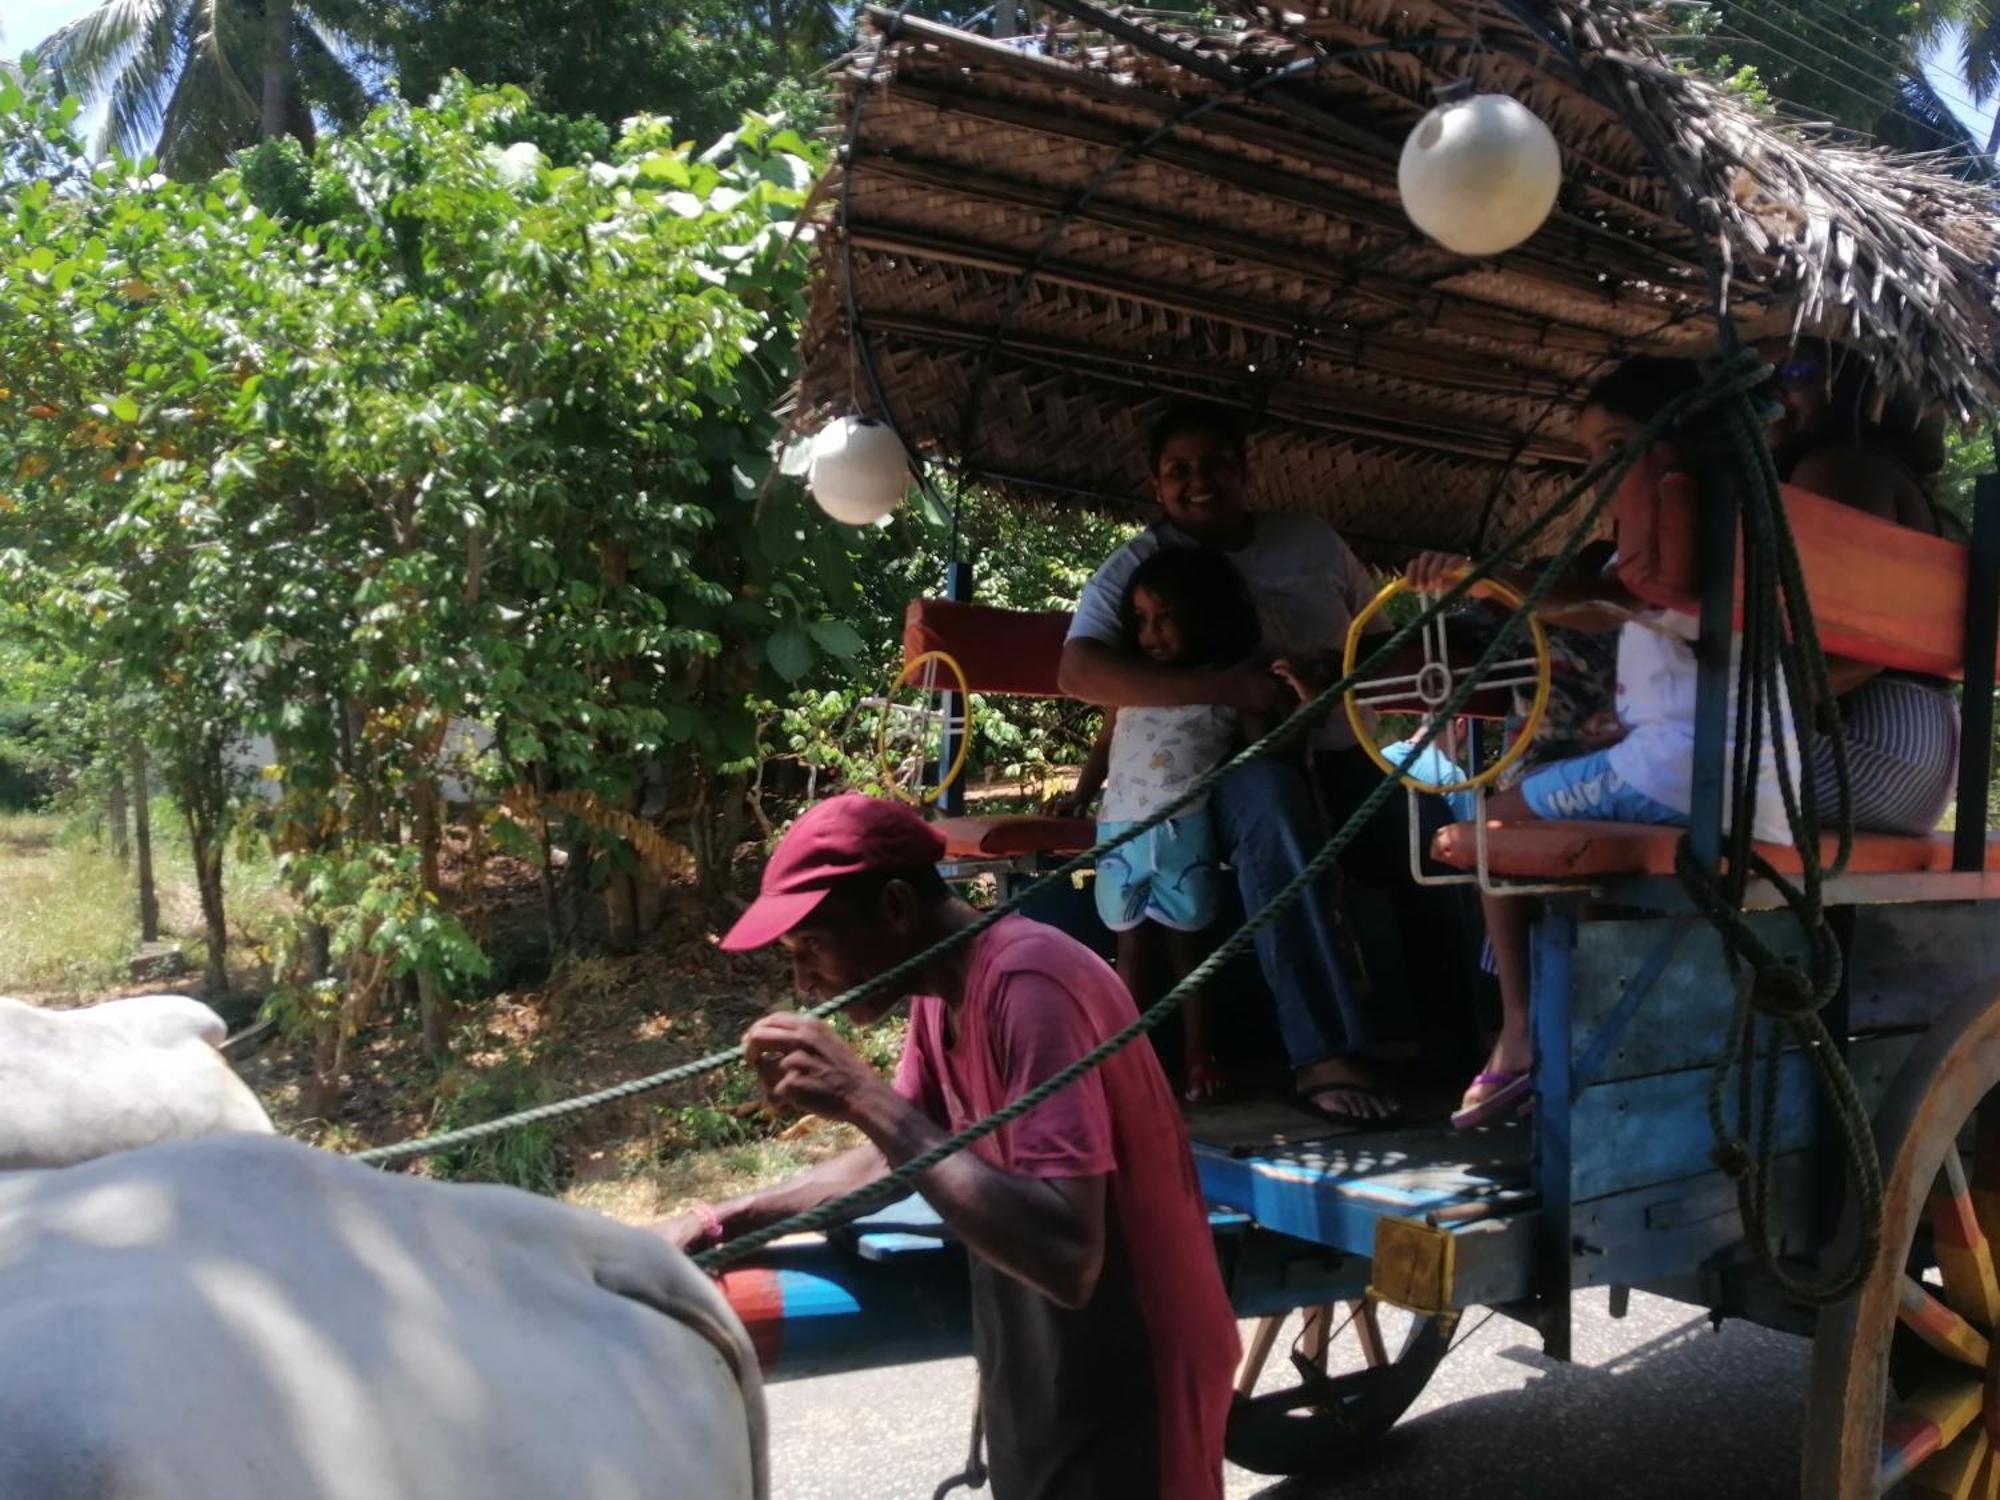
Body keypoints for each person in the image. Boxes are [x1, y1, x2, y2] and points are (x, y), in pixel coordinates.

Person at [654, 795, 1238, 1500]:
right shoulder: (940, 994)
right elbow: (894, 1157)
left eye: (813, 946)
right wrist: (723, 1219)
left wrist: (862, 1097)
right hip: (1051, 1360)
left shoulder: (1028, 984)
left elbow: (1069, 1256)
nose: (804, 983)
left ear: (896, 907)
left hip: (1136, 1369)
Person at [1058, 400, 1482, 1124]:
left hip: (1341, 750)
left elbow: (1379, 641)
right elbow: (1078, 672)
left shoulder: (1311, 541)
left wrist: (1327, 674)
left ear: (1244, 471)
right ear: (1156, 487)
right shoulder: (1139, 563)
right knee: (1275, 805)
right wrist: (1226, 686)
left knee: (1429, 831)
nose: (1200, 483)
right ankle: (1324, 1054)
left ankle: (1460, 1048)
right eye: (1178, 471)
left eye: (1216, 465)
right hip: (1214, 771)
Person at [1405, 357, 1798, 1128]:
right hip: (1757, 783)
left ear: (1676, 442)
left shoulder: (1687, 518)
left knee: (1490, 826)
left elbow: (1595, 601)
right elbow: (1619, 616)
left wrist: (1493, 580)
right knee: (1552, 819)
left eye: (1615, 447)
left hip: (1681, 774)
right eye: (1591, 454)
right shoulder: (1749, 522)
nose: (1600, 472)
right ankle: (1571, 1029)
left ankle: (1517, 1035)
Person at [1054, 546, 1265, 1103]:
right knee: (1130, 951)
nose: (1151, 633)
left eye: (1166, 616)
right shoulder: (1128, 683)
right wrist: (1078, 797)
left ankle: (1199, 1057)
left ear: (1203, 615)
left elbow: (1264, 749)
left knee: (1187, 950)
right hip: (1120, 829)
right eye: (1142, 620)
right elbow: (1105, 744)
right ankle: (1127, 1060)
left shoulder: (1228, 684)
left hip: (1185, 832)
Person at [1762, 338, 1960, 836]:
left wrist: (1726, 708)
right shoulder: (1856, 468)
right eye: (1761, 375)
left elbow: (1863, 651)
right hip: (1902, 753)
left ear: (1857, 385)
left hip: (1876, 754)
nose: (1774, 391)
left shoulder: (1838, 471)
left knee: (1588, 765)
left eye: (1798, 372)